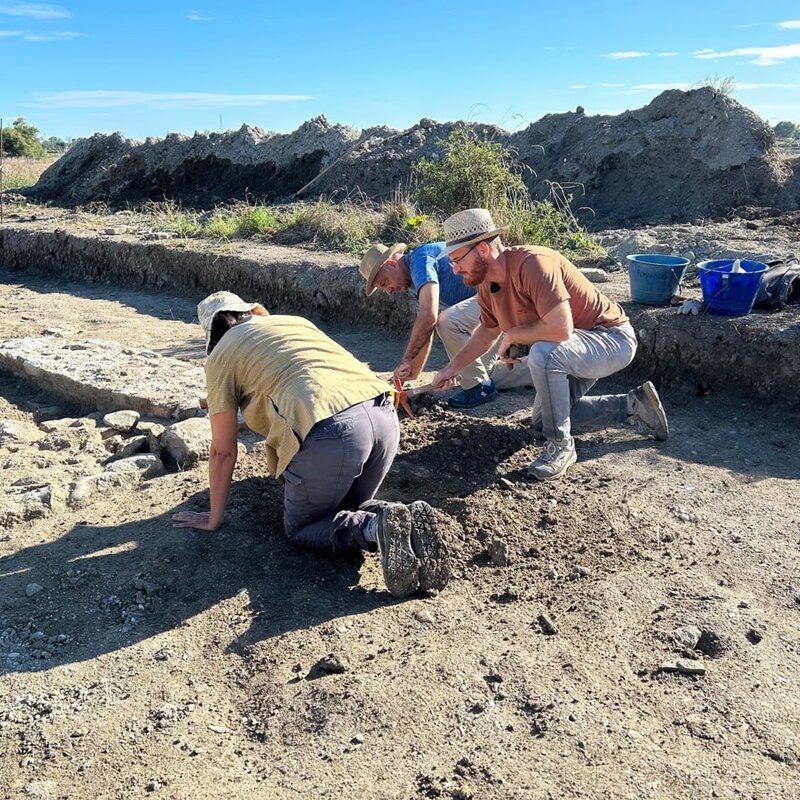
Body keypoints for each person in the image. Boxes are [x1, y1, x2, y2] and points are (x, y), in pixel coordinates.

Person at [171, 291, 449, 597]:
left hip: (332, 433)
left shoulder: (222, 353)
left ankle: (375, 529)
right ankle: (399, 516)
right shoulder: (292, 322)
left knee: (303, 528)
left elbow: (223, 451)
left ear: (212, 334)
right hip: (383, 416)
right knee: (347, 507)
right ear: (251, 311)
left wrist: (213, 518)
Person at [430, 209, 669, 482]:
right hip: (575, 348)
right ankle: (633, 406)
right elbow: (486, 332)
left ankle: (561, 447)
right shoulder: (487, 285)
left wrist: (514, 335)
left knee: (544, 354)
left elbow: (561, 329)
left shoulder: (534, 264)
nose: (456, 269)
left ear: (483, 249)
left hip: (610, 338)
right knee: (544, 421)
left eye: (457, 260)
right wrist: (451, 369)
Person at [359, 241, 528, 408]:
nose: (389, 291)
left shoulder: (421, 260)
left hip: (504, 294)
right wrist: (412, 370)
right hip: (495, 307)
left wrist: (407, 359)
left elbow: (429, 318)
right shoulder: (414, 273)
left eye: (384, 283)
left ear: (391, 264)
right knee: (478, 371)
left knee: (448, 322)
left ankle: (479, 388)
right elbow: (425, 327)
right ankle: (539, 370)